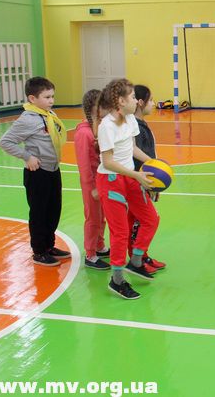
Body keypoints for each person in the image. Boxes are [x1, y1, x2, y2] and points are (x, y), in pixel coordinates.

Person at [96, 78, 159, 300]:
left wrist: (153, 163)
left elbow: (131, 149)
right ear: (121, 101)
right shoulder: (106, 126)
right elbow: (108, 162)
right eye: (132, 97)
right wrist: (136, 175)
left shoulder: (130, 119)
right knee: (120, 231)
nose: (135, 100)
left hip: (130, 176)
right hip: (111, 179)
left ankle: (136, 261)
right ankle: (117, 280)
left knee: (150, 218)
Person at [0, 77, 69, 266]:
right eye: (47, 97)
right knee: (39, 213)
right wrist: (27, 156)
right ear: (32, 98)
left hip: (53, 169)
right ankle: (39, 251)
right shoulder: (28, 119)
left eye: (52, 96)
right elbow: (5, 142)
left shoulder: (48, 114)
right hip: (38, 173)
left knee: (53, 210)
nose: (52, 100)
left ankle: (49, 245)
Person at [129, 84, 166, 272]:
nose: (153, 103)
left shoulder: (141, 124)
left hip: (145, 179)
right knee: (147, 220)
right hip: (137, 179)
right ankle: (136, 259)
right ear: (140, 102)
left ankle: (142, 256)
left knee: (138, 221)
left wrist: (155, 181)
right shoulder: (133, 125)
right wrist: (153, 165)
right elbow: (134, 152)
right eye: (151, 100)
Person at [75, 89, 110, 269]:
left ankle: (99, 245)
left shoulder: (98, 128)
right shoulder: (84, 133)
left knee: (102, 216)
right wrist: (93, 187)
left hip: (101, 181)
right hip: (92, 184)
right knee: (93, 218)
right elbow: (84, 165)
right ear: (94, 108)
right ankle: (90, 254)